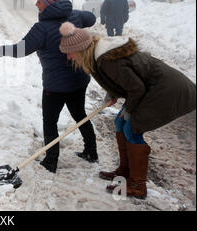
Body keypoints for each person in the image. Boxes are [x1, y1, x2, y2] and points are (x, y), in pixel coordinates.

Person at [58, 22, 196, 199]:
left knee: (132, 127)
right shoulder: (97, 55)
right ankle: (124, 171)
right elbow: (123, 80)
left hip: (166, 89)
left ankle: (138, 185)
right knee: (119, 122)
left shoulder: (107, 60)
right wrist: (112, 92)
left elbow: (136, 88)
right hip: (149, 88)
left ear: (81, 49)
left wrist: (129, 110)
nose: (69, 57)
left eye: (70, 53)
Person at [0, 0, 99, 173]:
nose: (36, 4)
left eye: (39, 1)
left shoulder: (41, 29)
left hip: (56, 86)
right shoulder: (75, 16)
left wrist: (1, 51)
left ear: (48, 3)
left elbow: (21, 50)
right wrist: (75, 15)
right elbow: (92, 18)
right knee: (80, 114)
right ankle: (91, 151)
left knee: (50, 121)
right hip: (79, 79)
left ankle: (51, 161)